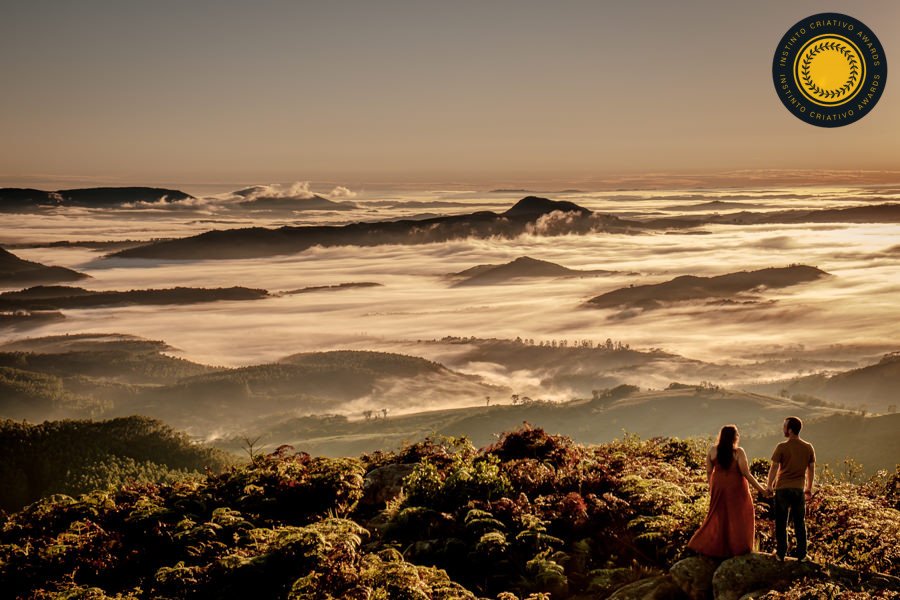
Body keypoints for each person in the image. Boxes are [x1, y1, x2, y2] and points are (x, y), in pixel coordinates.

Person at [688, 424, 769, 557]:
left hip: (718, 485)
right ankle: (739, 547)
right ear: (733, 437)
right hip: (736, 487)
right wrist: (761, 489)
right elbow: (746, 473)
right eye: (737, 434)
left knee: (717, 515)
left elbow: (709, 471)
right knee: (739, 515)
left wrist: (712, 486)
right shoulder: (738, 452)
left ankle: (704, 544)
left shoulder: (712, 450)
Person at [766, 416, 815, 561]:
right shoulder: (808, 447)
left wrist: (769, 485)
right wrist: (808, 488)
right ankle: (802, 555)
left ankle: (781, 554)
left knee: (781, 522)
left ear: (790, 430)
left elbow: (774, 467)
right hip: (798, 489)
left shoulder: (782, 447)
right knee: (800, 522)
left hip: (782, 489)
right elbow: (811, 469)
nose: (783, 429)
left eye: (785, 426)